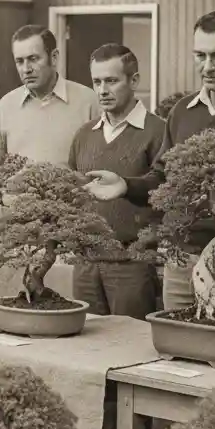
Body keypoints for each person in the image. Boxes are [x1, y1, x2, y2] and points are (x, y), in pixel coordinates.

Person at [85, 10, 215, 315]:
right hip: (181, 259)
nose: (207, 66)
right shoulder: (183, 111)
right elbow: (163, 177)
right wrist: (125, 185)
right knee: (176, 349)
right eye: (200, 55)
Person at [68, 43, 166, 319]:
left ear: (134, 81)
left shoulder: (158, 132)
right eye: (96, 82)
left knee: (130, 345)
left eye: (111, 81)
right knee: (85, 344)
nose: (102, 90)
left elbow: (164, 189)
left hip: (132, 264)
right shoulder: (84, 135)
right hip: (85, 263)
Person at [0, 24, 98, 209]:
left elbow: (103, 167)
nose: (26, 68)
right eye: (19, 61)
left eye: (33, 59)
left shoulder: (89, 102)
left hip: (72, 214)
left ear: (54, 57)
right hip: (17, 215)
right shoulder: (6, 105)